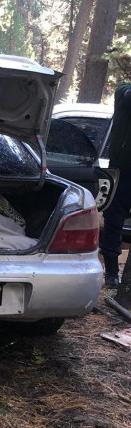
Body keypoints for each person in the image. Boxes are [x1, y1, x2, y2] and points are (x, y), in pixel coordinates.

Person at [99, 83, 131, 289]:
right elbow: (127, 95)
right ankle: (111, 271)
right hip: (123, 171)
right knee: (114, 220)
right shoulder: (123, 91)